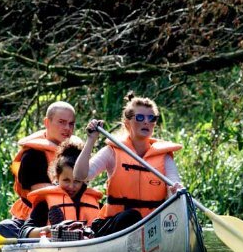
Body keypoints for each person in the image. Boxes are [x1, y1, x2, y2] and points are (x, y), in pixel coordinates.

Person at [73, 92, 184, 237]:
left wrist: (175, 192)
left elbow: (175, 185)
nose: (146, 122)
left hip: (152, 228)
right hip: (117, 225)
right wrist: (91, 140)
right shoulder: (112, 152)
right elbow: (80, 175)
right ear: (127, 122)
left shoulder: (164, 157)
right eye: (140, 117)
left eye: (151, 118)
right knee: (131, 216)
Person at [0, 101, 81, 238]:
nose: (67, 128)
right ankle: (35, 234)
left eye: (71, 124)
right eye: (61, 122)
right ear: (47, 122)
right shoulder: (33, 155)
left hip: (74, 213)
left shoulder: (76, 153)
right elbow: (43, 195)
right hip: (36, 217)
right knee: (5, 227)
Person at [19, 140, 102, 238]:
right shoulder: (45, 204)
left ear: (85, 180)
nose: (71, 186)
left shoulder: (97, 205)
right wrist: (52, 229)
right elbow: (24, 233)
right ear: (57, 177)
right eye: (66, 180)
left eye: (77, 181)